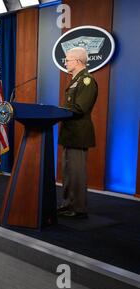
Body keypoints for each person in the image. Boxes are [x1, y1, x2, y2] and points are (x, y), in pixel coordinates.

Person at [57, 47, 98, 219]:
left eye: (68, 60)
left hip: (78, 134)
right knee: (68, 172)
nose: (65, 62)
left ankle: (78, 208)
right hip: (70, 133)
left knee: (76, 173)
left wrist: (58, 111)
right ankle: (68, 204)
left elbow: (80, 107)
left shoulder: (87, 81)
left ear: (78, 61)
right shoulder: (76, 80)